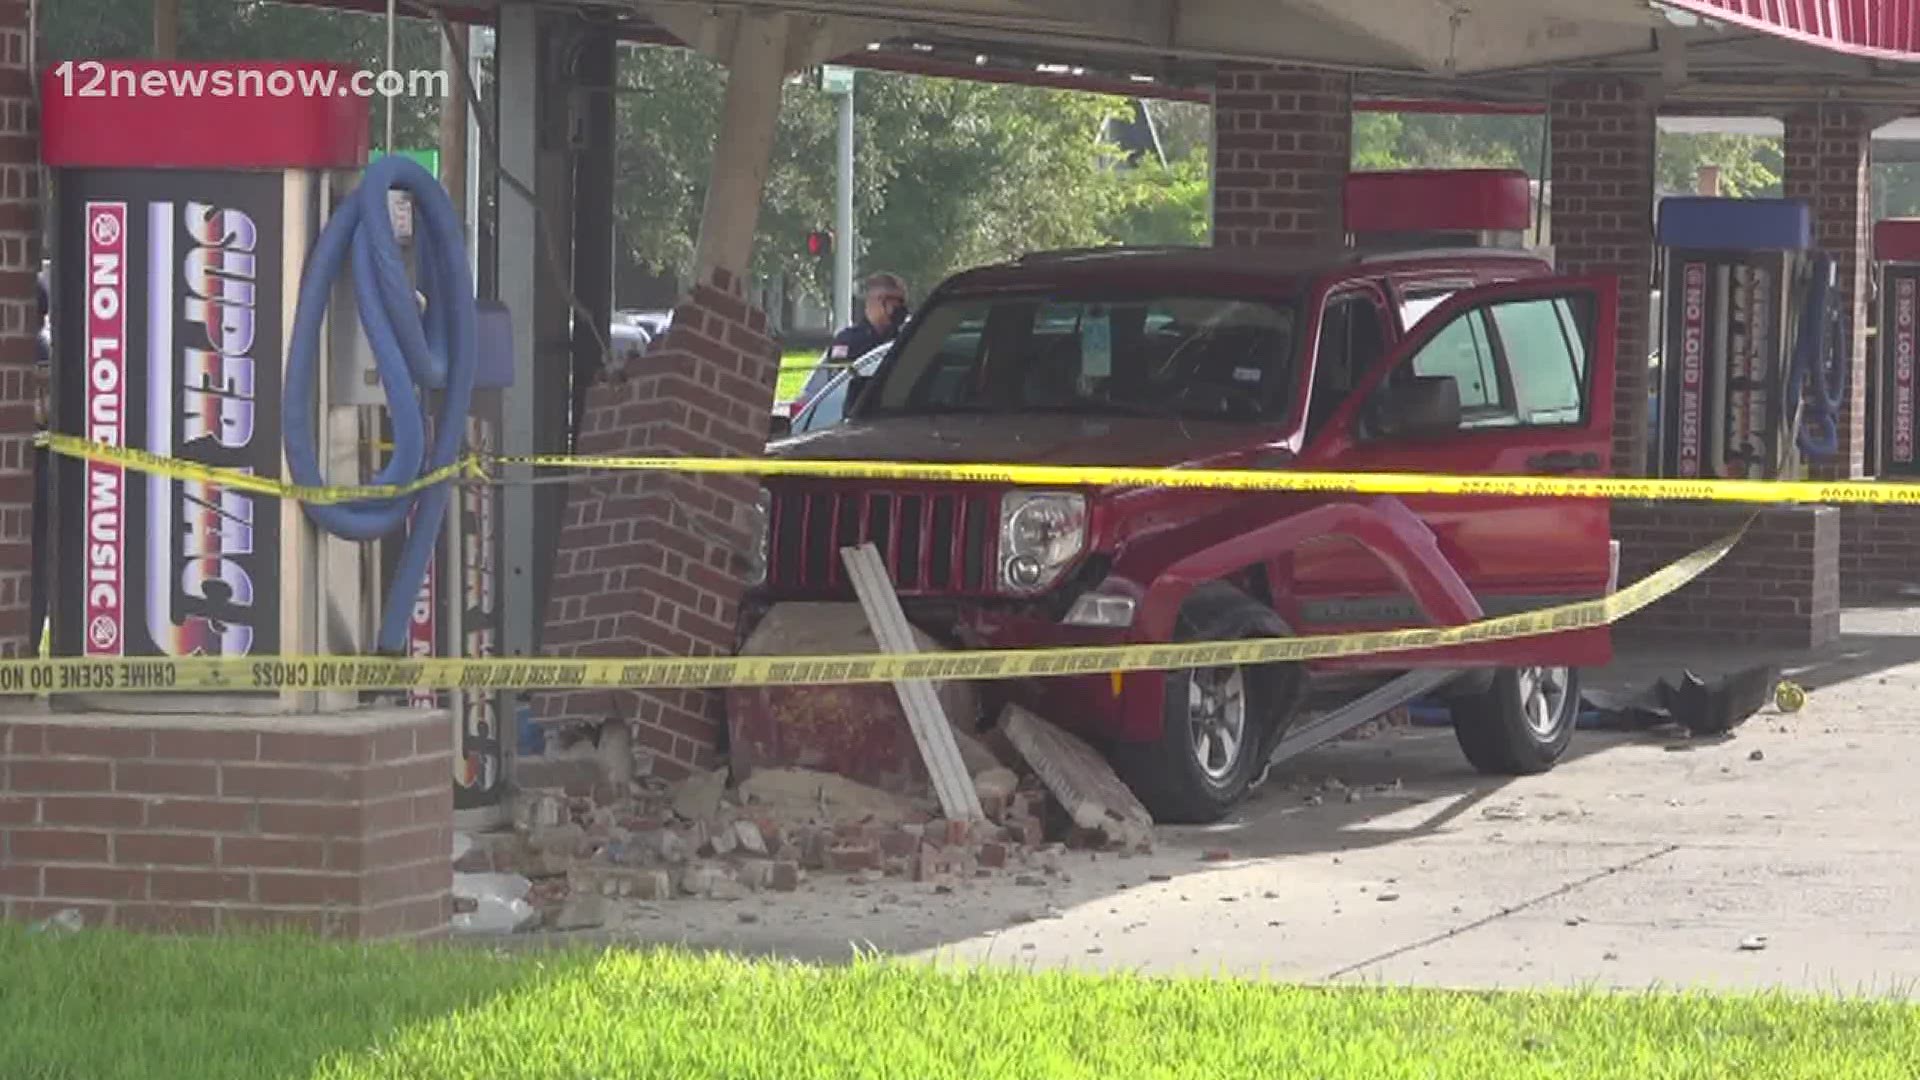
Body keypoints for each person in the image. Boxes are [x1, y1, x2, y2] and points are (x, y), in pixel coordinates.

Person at [791, 273, 909, 412]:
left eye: (902, 302)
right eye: (893, 302)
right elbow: (832, 387)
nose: (899, 309)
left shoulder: (907, 340)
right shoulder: (849, 342)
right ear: (875, 302)